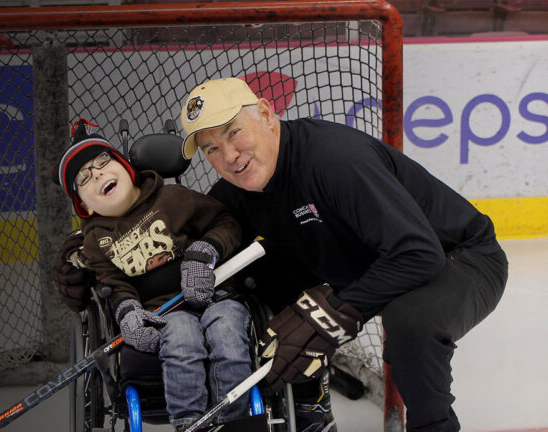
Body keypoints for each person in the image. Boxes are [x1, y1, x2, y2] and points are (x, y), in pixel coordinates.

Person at [176, 77, 508, 432]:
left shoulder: (334, 160)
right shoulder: (236, 191)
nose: (228, 156)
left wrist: (335, 311)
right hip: (370, 263)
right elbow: (202, 234)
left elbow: (419, 253)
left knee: (410, 325)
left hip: (455, 257)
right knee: (255, 282)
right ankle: (310, 398)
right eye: (211, 149)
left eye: (233, 132)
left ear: (265, 114)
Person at [52, 120, 254, 431]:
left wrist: (204, 251)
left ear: (125, 167)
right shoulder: (94, 240)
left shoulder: (174, 197)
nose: (98, 174)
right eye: (84, 178)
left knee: (227, 331)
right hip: (162, 313)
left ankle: (235, 423)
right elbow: (112, 284)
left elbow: (226, 223)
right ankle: (191, 425)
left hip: (215, 296)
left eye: (103, 162)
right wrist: (128, 311)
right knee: (182, 337)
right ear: (84, 204)